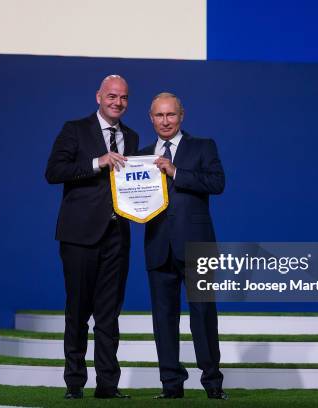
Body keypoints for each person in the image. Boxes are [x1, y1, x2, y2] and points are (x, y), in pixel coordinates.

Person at [45, 75, 139, 399]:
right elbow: (53, 172)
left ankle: (108, 386)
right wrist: (98, 162)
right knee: (78, 312)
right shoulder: (75, 129)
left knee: (109, 315)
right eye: (112, 96)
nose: (117, 102)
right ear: (99, 96)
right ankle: (74, 384)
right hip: (79, 236)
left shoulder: (132, 136)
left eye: (123, 97)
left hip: (117, 235)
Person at [140, 92, 227, 399]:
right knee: (163, 319)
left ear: (182, 116)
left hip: (197, 247)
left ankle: (213, 385)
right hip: (158, 247)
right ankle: (171, 386)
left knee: (203, 315)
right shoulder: (141, 155)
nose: (165, 121)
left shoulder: (203, 147)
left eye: (171, 115)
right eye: (159, 116)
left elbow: (217, 183)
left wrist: (176, 172)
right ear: (151, 119)